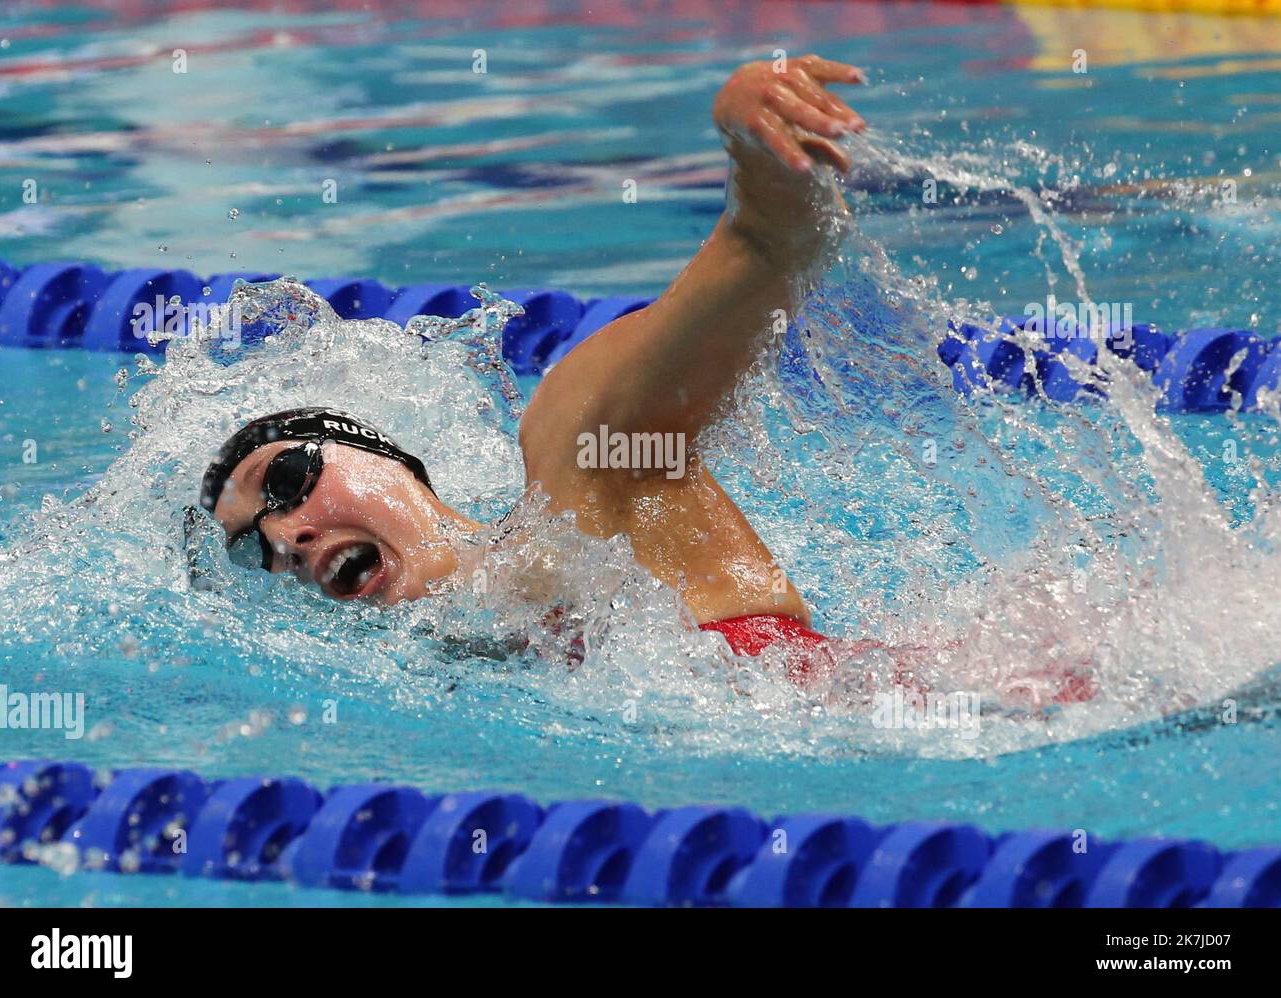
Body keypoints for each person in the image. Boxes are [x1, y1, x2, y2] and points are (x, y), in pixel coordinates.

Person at [200, 55, 866, 677]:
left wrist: (756, 146)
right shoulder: (452, 678)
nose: (286, 536)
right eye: (250, 549)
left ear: (385, 456)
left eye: (287, 479)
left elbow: (769, 245)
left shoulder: (582, 470)